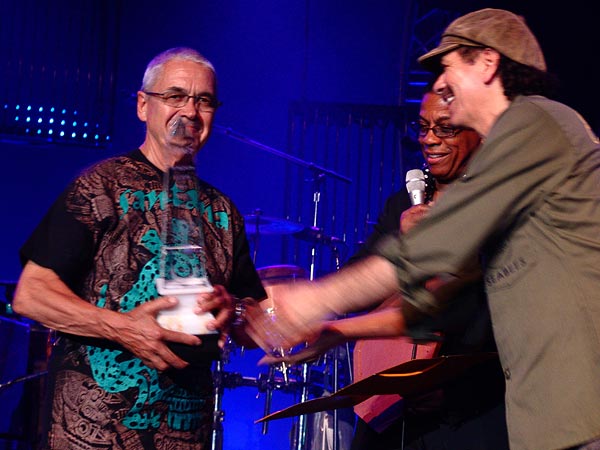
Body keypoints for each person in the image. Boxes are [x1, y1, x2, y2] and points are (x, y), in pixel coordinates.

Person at [245, 8, 600, 450]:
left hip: (582, 413)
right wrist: (335, 332)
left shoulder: (535, 122)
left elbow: (433, 248)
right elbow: (439, 302)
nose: (441, 84)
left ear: (487, 64)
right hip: (551, 422)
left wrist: (313, 300)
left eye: (448, 67)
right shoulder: (512, 164)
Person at [12, 47, 266, 450]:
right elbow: (31, 295)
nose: (190, 111)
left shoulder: (222, 211)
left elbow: (254, 323)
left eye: (203, 100)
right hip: (91, 433)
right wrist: (123, 328)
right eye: (175, 96)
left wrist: (232, 310)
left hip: (184, 434)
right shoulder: (99, 187)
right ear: (143, 106)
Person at [260, 89, 508, 449]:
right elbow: (359, 283)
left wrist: (456, 392)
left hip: (468, 410)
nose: (429, 139)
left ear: (479, 132)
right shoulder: (402, 205)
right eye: (422, 127)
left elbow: (489, 317)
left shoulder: (495, 207)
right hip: (391, 403)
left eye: (445, 129)